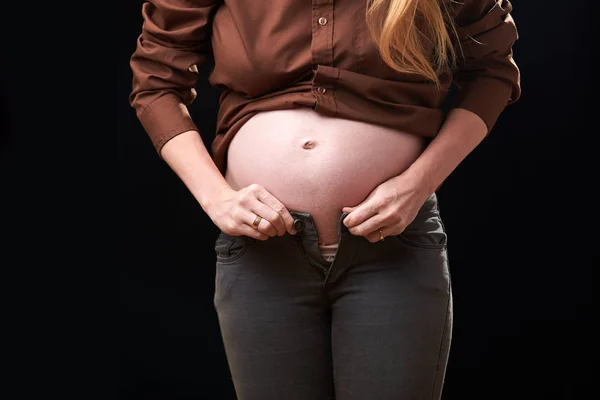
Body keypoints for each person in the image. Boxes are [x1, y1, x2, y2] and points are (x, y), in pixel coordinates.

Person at [129, 0, 521, 398]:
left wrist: (417, 185)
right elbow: (156, 81)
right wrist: (216, 198)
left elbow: (492, 72)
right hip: (264, 253)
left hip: (391, 251)